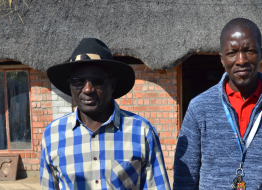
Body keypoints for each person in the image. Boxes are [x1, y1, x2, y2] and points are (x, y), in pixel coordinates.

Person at [40, 38, 170, 190]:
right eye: (78, 81)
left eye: (98, 81)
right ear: (70, 85)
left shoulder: (141, 131)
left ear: (112, 84)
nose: (88, 89)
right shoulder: (53, 134)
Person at [173, 18, 262, 189]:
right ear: (222, 59)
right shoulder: (199, 108)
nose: (241, 60)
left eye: (249, 50)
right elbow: (185, 179)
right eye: (232, 53)